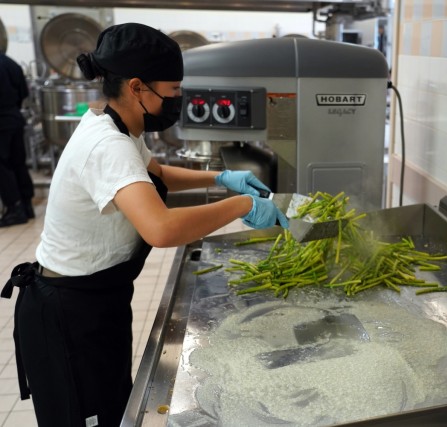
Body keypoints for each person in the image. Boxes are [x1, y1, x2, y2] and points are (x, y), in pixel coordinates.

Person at [1, 23, 288, 427]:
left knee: (114, 406)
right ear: (137, 87)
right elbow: (161, 229)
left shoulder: (118, 125)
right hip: (68, 317)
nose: (177, 99)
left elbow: (155, 173)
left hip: (99, 300)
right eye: (172, 92)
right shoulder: (107, 145)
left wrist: (221, 177)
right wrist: (240, 205)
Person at [0, 51, 34, 227]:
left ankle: (14, 209)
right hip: (15, 118)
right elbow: (23, 93)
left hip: (1, 122)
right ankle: (27, 205)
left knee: (3, 167)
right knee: (18, 162)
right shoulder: (12, 64)